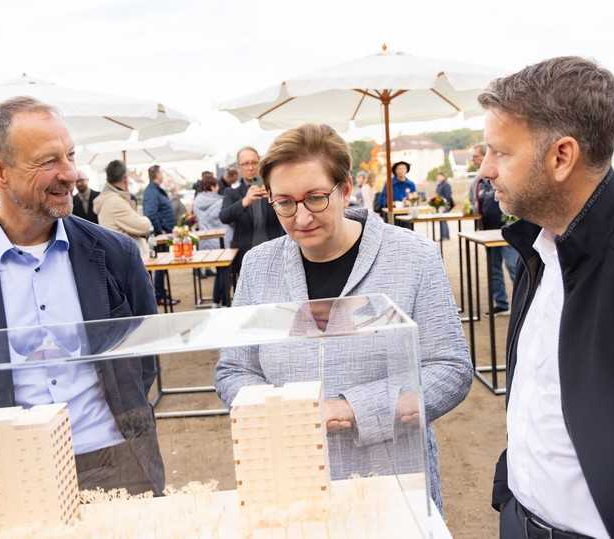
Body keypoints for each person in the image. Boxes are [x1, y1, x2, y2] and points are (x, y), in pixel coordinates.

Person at [0, 96, 165, 496]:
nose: (71, 173)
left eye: (71, 155)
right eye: (49, 161)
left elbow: (144, 355)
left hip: (119, 460)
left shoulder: (116, 254)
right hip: (13, 472)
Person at [479, 57, 614, 538]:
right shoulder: (536, 247)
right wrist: (508, 494)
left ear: (561, 156)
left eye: (501, 153)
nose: (486, 168)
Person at [215, 124, 472, 511]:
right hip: (292, 482)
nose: (300, 217)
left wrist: (353, 409)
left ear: (346, 188)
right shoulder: (258, 266)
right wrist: (288, 410)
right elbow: (234, 371)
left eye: (315, 198)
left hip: (393, 480)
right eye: (284, 202)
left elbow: (450, 370)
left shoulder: (412, 256)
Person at [219, 146, 284, 276]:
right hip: (246, 253)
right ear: (239, 167)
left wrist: (276, 198)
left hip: (276, 250)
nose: (250, 167)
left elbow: (290, 211)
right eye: (245, 164)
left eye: (254, 162)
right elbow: (224, 217)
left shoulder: (274, 186)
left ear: (260, 163)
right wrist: (245, 201)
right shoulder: (232, 191)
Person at [470, 143, 519, 316]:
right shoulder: (477, 182)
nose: (474, 160)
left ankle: (525, 304)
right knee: (494, 269)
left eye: (476, 156)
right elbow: (473, 202)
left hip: (507, 230)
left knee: (514, 266)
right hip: (487, 231)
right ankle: (501, 303)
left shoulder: (502, 175)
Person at [94, 160, 153, 260]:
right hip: (126, 258)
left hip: (119, 255)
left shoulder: (109, 198)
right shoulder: (115, 202)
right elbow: (144, 226)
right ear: (125, 178)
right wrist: (146, 219)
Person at [143, 164, 178, 306]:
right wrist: (161, 230)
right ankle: (159, 296)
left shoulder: (155, 190)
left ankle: (161, 294)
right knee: (160, 266)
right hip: (160, 236)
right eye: (161, 173)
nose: (163, 175)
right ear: (157, 175)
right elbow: (150, 213)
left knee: (162, 267)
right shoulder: (151, 191)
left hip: (164, 234)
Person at [193, 176, 231, 306]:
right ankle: (223, 301)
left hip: (205, 239)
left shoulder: (197, 201)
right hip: (220, 239)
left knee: (221, 271)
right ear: (213, 186)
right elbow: (221, 218)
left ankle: (217, 301)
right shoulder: (220, 201)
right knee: (224, 271)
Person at [376, 161, 416, 229]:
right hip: (392, 215)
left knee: (408, 235)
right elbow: (381, 199)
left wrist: (410, 202)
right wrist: (391, 203)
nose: (401, 171)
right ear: (395, 171)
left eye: (403, 168)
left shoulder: (411, 184)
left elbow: (414, 199)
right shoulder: (389, 183)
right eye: (399, 169)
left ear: (407, 170)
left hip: (407, 214)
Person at [434, 172, 454, 240]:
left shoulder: (446, 185)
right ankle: (445, 236)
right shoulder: (439, 185)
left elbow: (448, 196)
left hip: (446, 205)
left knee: (443, 219)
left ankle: (445, 236)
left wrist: (443, 203)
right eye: (437, 176)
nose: (438, 178)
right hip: (440, 205)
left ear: (443, 177)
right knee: (442, 220)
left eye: (439, 176)